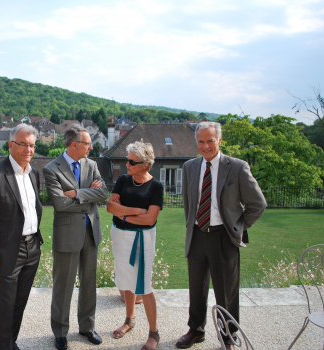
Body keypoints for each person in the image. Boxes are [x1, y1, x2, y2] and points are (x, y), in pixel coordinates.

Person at [176, 122, 266, 350]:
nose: (205, 146)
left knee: (226, 292)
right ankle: (196, 330)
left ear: (219, 140)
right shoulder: (189, 167)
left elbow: (258, 204)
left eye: (210, 141)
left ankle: (228, 335)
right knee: (196, 288)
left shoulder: (236, 167)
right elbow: (189, 204)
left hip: (223, 237)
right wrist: (192, 226)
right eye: (201, 141)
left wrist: (238, 227)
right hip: (197, 235)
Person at [0, 124, 43, 350]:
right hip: (7, 252)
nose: (28, 149)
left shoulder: (33, 173)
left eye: (32, 145)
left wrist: (36, 243)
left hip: (32, 248)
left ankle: (10, 343)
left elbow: (34, 208)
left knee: (19, 303)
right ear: (11, 144)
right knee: (6, 304)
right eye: (23, 144)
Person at [43, 124, 108, 350]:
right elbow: (60, 204)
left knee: (89, 283)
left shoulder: (92, 164)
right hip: (67, 235)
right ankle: (60, 333)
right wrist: (88, 195)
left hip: (91, 232)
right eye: (87, 143)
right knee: (64, 286)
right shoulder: (51, 169)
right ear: (74, 145)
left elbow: (103, 193)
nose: (91, 147)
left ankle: (87, 328)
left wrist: (77, 193)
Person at [107, 141, 163, 350]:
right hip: (120, 237)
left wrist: (124, 212)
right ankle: (129, 320)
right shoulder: (122, 179)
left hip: (142, 239)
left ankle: (154, 333)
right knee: (125, 279)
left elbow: (150, 220)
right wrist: (138, 211)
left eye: (131, 161)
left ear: (145, 165)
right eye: (126, 160)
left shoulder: (156, 186)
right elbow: (110, 207)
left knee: (144, 285)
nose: (126, 164)